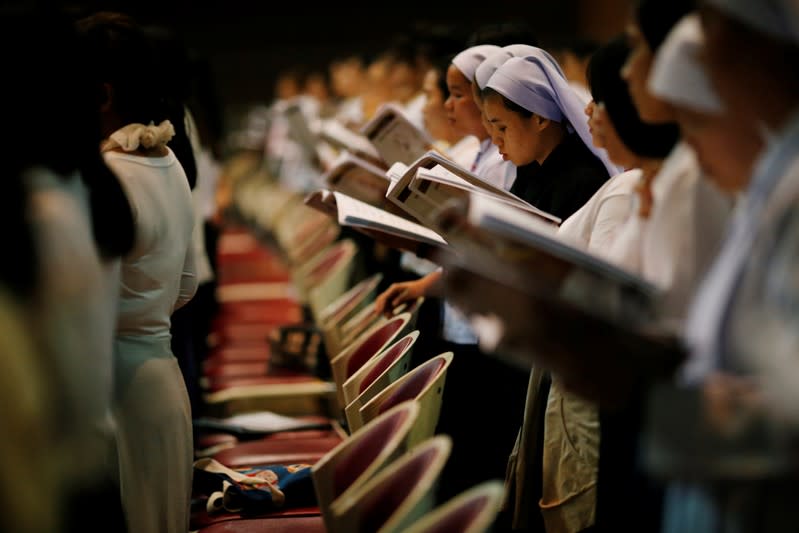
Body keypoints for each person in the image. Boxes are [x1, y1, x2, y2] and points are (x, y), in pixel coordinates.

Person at [78, 11, 198, 533]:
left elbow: (83, 308)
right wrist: (146, 318)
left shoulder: (106, 177)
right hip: (164, 383)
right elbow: (187, 285)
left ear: (101, 95)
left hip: (115, 396)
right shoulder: (170, 164)